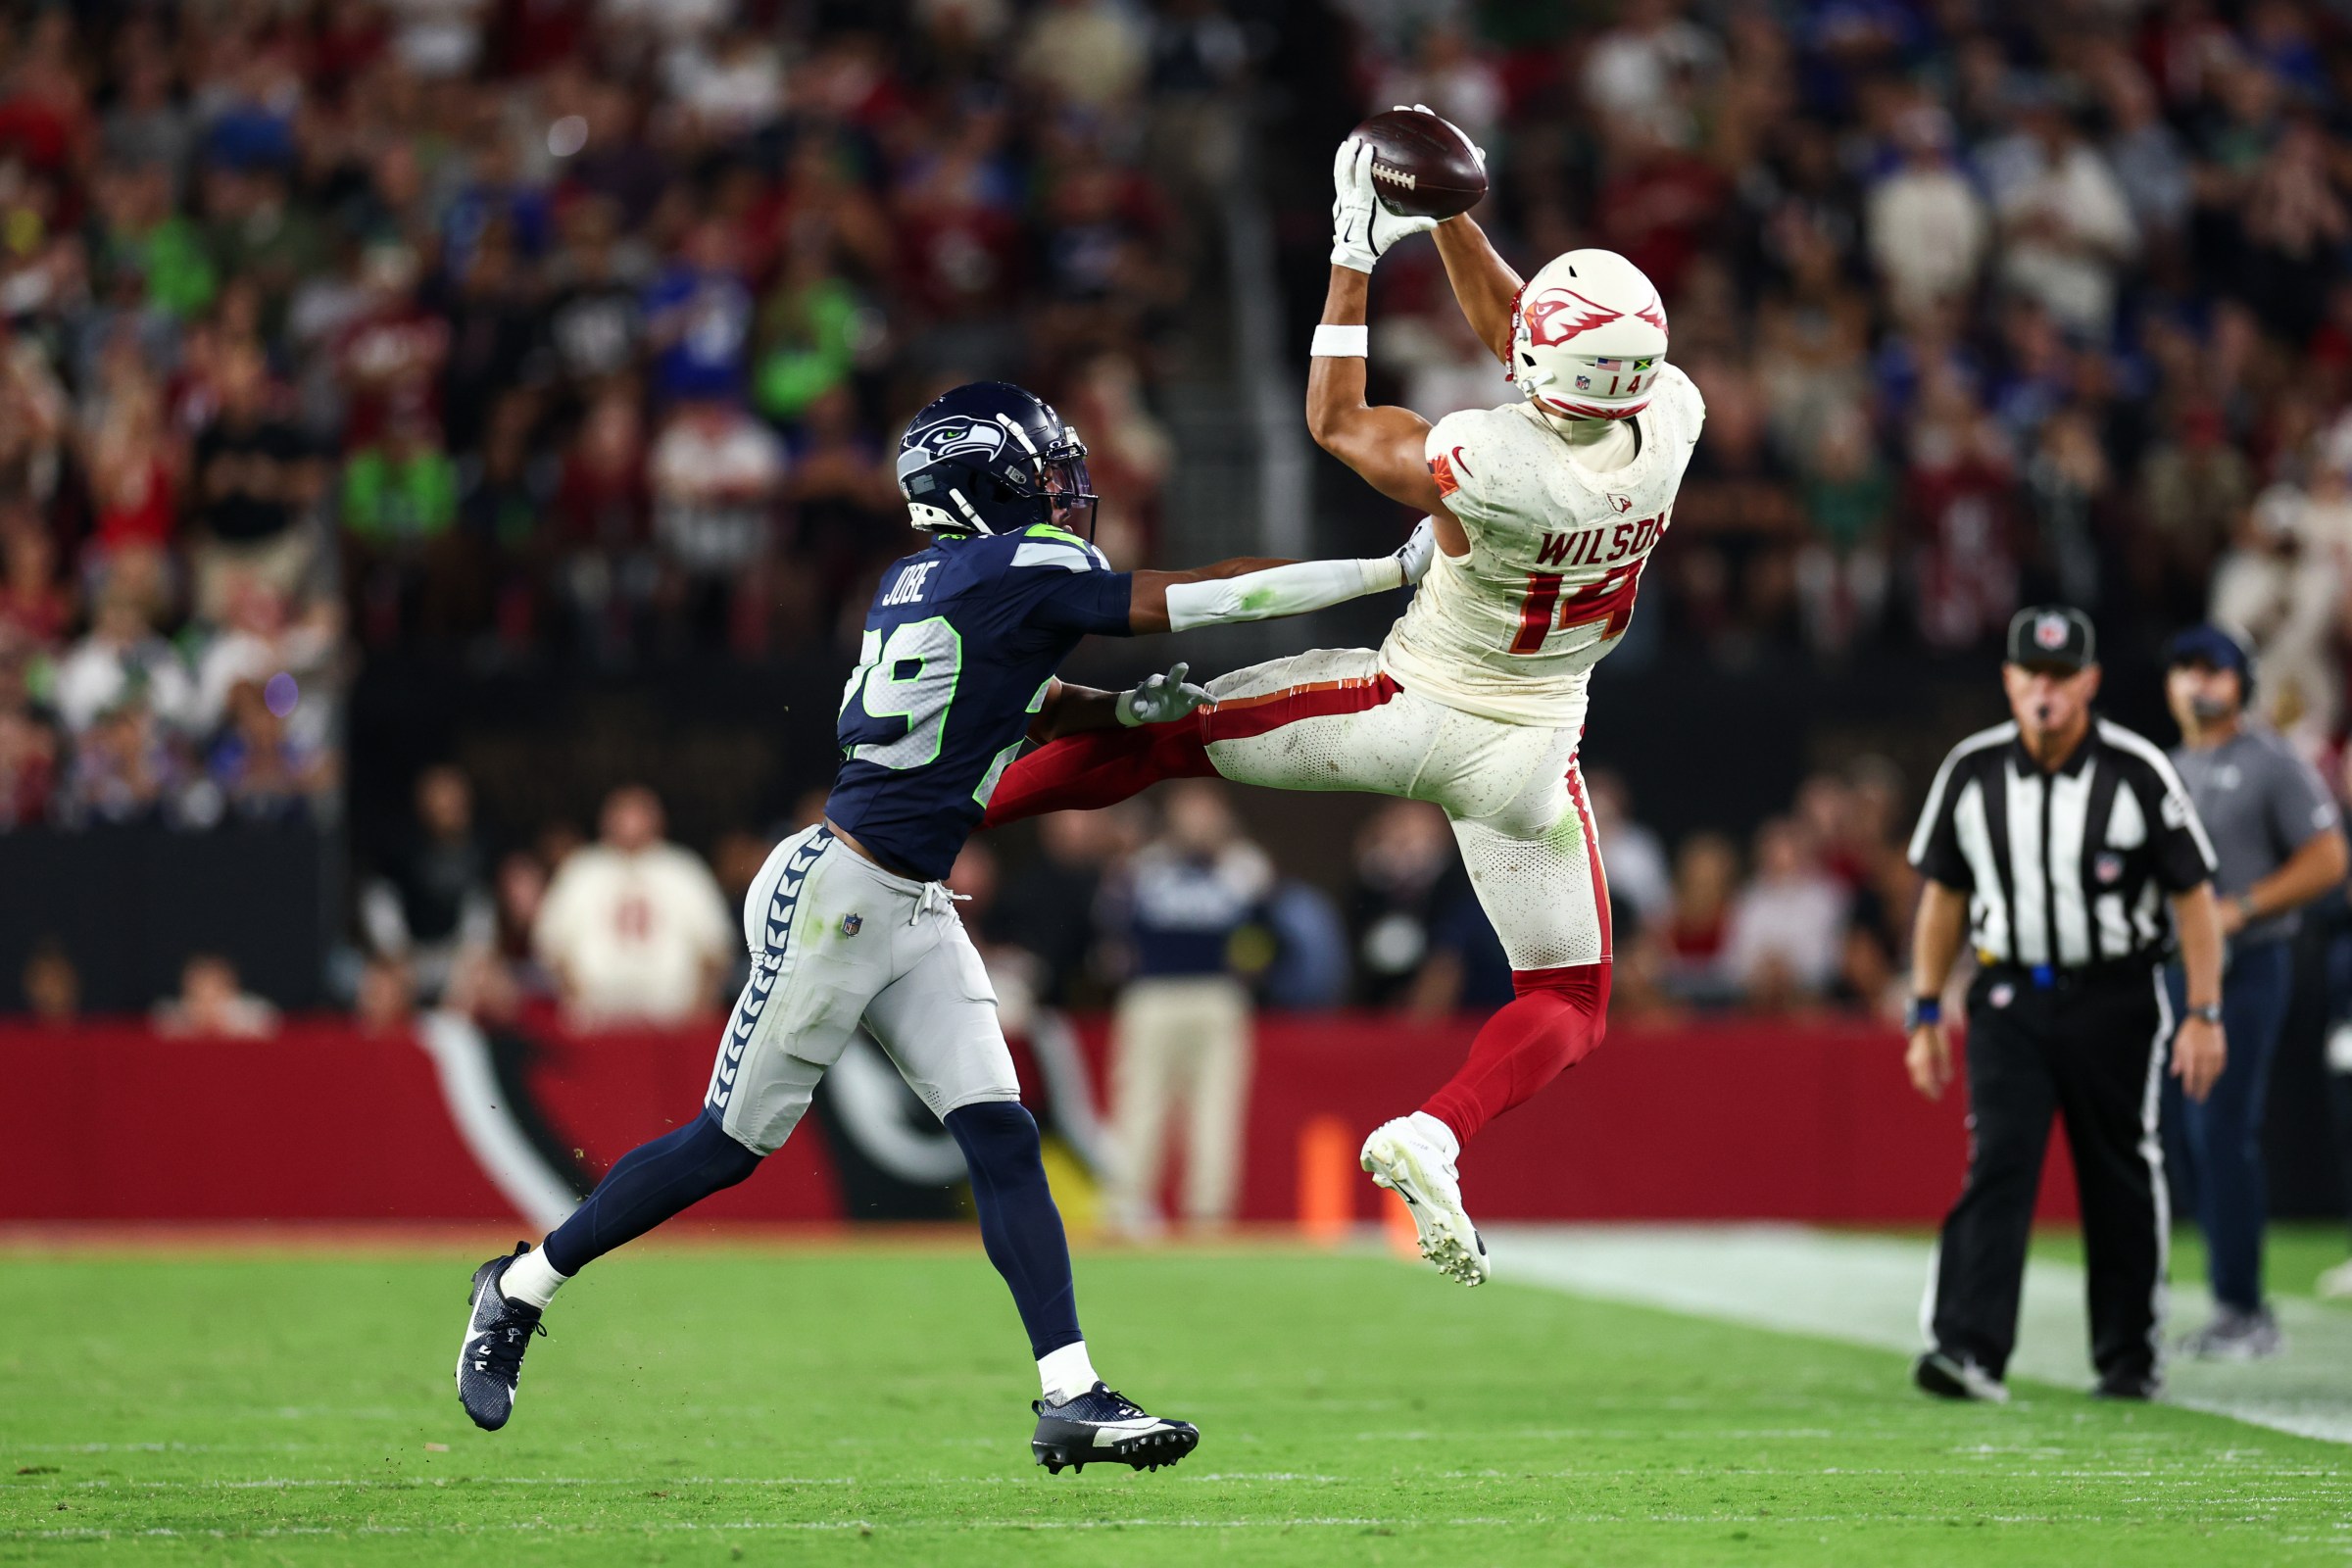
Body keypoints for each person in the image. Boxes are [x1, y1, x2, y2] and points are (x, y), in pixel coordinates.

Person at [454, 379, 1434, 1470]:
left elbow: (1022, 697)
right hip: (839, 895)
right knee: (727, 1146)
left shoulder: (922, 578)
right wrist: (1386, 571)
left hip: (906, 897)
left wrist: (1118, 710)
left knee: (1002, 1132)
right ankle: (522, 1282)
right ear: (987, 484)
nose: (1067, 492)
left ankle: (1071, 1392)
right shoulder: (1024, 567)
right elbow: (1203, 598)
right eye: (1044, 473)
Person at [980, 114, 1705, 1287]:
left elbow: (1335, 419)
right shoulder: (1671, 420)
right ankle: (1439, 1128)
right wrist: (1452, 212)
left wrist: (1358, 242)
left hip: (1404, 703)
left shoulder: (1499, 463)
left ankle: (928, 830)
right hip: (1535, 754)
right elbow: (1526, 335)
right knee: (1570, 1001)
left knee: (1162, 738)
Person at [1903, 607, 2227, 1402]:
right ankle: (1968, 1349)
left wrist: (2204, 1012)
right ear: (2010, 679)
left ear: (2088, 681)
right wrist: (1922, 1012)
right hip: (2009, 994)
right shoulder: (1973, 771)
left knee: (2118, 1168)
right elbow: (1943, 898)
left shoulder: (2137, 770)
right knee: (2000, 1161)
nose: (2044, 691)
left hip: (2115, 994)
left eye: (2060, 676)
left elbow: (2195, 897)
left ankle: (2128, 1356)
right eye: (2031, 675)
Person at [2160, 623, 2347, 1357]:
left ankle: (2244, 1308)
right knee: (2188, 1135)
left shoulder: (2270, 759)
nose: (2199, 683)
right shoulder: (2169, 765)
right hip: (2175, 970)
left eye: (2214, 670)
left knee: (2222, 1128)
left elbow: (2330, 859)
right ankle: (2219, 1301)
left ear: (2241, 684)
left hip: (2250, 965)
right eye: (2187, 669)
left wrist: (2243, 905)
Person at [1100, 779, 1269, 1234]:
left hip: (1217, 994)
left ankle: (1209, 1215)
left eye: (1205, 813)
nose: (1197, 823)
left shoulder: (1244, 867)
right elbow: (1113, 935)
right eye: (1190, 813)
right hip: (1153, 993)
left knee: (1216, 1108)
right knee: (1140, 1103)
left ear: (1222, 818)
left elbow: (1265, 936)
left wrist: (1247, 968)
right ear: (1172, 819)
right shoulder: (1144, 867)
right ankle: (1127, 1208)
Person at [531, 785, 733, 1026]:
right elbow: (551, 946)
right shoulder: (581, 869)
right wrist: (577, 1000)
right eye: (623, 814)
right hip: (597, 1023)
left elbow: (715, 949)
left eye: (639, 813)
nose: (630, 823)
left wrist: (696, 1012)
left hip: (672, 1023)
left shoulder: (682, 869)